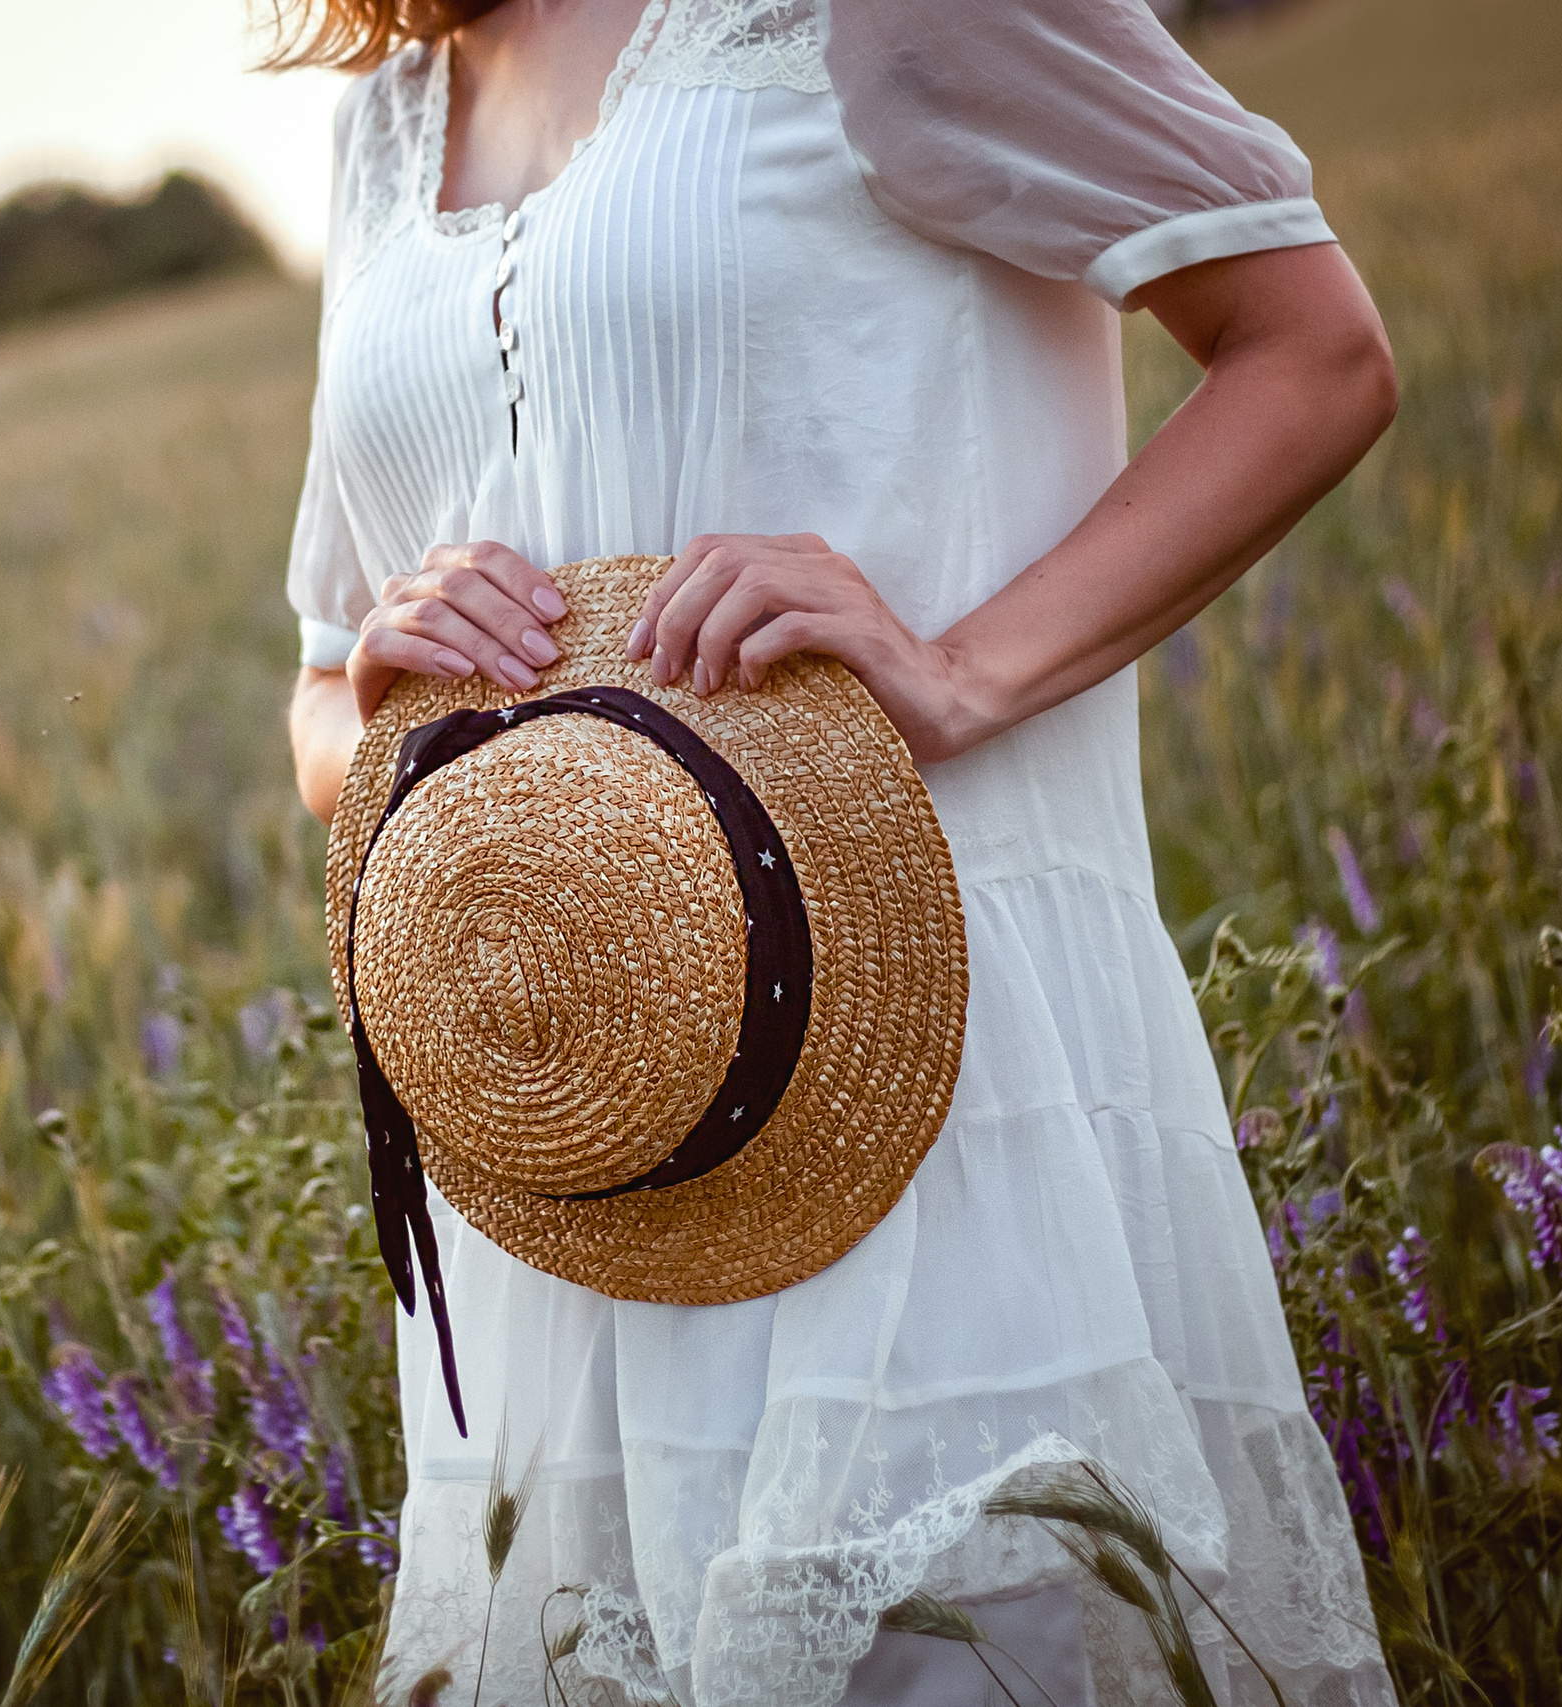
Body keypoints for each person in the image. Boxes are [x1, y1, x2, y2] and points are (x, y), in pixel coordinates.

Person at [275, 0, 1399, 1701]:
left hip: (923, 1109)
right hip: (574, 1165)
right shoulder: (387, 116)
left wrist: (964, 669)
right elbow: (315, 682)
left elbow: (1313, 350)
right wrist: (386, 705)